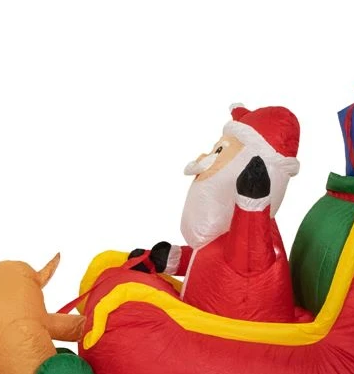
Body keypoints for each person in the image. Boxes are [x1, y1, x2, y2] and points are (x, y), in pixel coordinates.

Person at [129, 104, 301, 322]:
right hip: (203, 311)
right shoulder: (224, 233)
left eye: (220, 151)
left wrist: (251, 207)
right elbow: (212, 259)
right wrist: (173, 260)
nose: (203, 160)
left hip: (239, 324)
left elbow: (249, 262)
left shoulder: (253, 237)